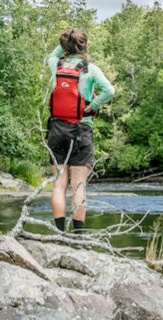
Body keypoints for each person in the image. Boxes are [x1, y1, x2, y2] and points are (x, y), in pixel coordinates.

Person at [45, 28, 115, 233]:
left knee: (59, 184)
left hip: (57, 128)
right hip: (82, 129)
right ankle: (78, 237)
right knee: (79, 185)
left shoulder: (55, 65)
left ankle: (59, 233)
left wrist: (66, 44)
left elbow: (52, 54)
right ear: (84, 46)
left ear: (66, 46)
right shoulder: (90, 69)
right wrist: (92, 106)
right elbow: (110, 91)